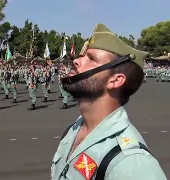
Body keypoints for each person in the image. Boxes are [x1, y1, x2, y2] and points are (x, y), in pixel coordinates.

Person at [51, 23, 166, 180]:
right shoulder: (74, 130)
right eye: (82, 55)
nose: (77, 61)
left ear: (116, 80)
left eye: (91, 58)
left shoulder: (129, 162)